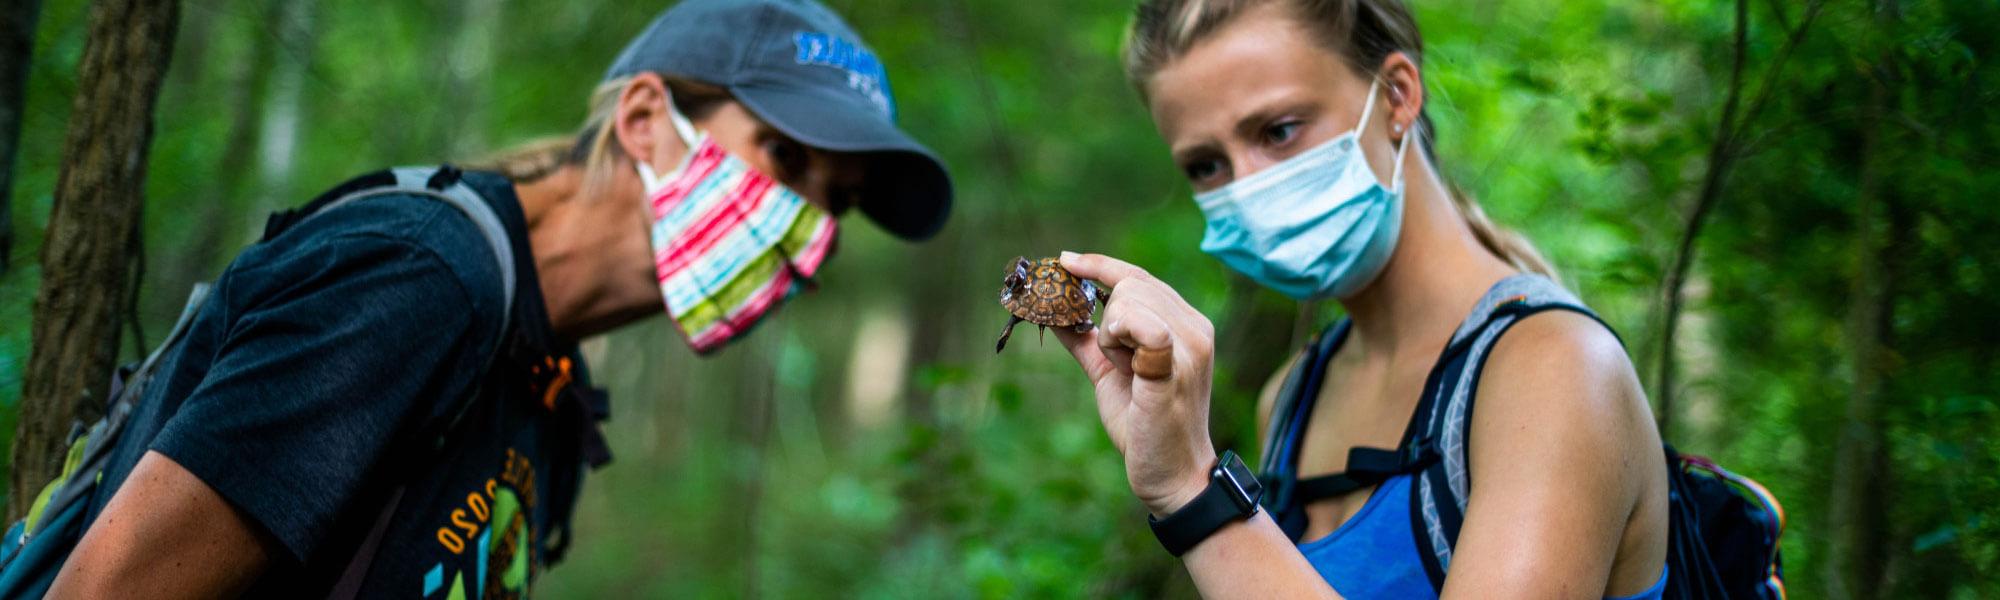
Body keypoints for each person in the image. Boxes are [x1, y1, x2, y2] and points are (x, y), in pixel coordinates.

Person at [44, 0, 950, 597]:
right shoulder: (417, 281)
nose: (809, 229)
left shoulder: (549, 387)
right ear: (643, 120)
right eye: (785, 159)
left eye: (838, 202)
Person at [1053, 0, 1668, 597]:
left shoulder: (1554, 368)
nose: (1248, 188)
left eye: (1279, 130)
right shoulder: (1293, 396)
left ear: (1398, 95)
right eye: (1206, 166)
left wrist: (1193, 488)